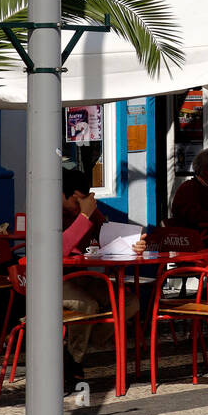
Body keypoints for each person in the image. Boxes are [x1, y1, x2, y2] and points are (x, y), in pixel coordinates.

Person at [61, 167, 142, 393]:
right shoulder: (48, 210)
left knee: (130, 302)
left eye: (83, 201)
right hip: (52, 281)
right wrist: (84, 216)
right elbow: (59, 249)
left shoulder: (86, 210)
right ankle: (75, 362)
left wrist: (133, 245)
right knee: (87, 305)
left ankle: (81, 347)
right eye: (77, 201)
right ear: (62, 195)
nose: (80, 206)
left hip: (82, 277)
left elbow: (109, 239)